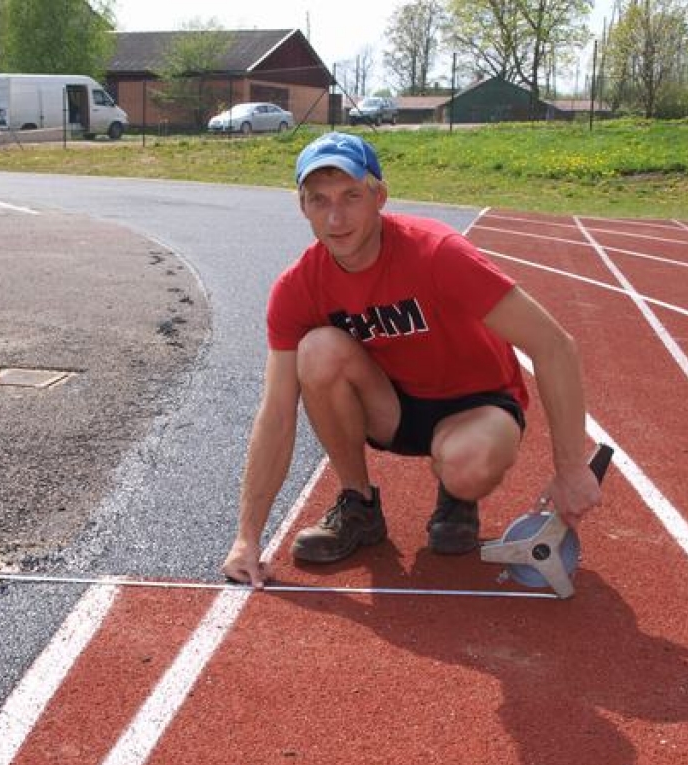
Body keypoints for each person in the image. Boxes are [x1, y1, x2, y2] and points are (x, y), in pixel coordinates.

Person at [221, 132, 603, 588]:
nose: (336, 217)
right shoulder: (298, 287)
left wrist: (571, 469)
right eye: (319, 200)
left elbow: (554, 345)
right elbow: (277, 411)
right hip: (393, 407)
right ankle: (359, 505)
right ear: (302, 206)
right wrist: (247, 538)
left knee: (466, 465)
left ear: (379, 196)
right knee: (317, 350)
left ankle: (457, 497)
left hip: (477, 404)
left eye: (351, 196)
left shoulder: (438, 253)